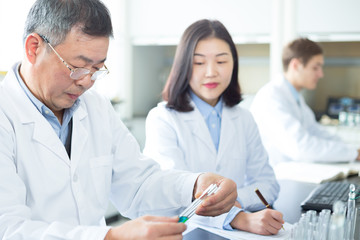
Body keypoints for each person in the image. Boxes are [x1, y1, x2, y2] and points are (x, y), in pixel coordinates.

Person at [0, 1, 238, 239]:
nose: (86, 82)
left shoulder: (97, 107)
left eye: (97, 69)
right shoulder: (5, 114)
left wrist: (195, 185)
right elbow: (8, 228)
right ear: (33, 48)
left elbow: (138, 184)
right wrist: (111, 237)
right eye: (78, 67)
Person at [143, 19, 284, 235]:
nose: (211, 72)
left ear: (233, 64)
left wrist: (233, 200)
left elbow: (267, 184)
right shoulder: (162, 118)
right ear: (183, 66)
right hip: (187, 234)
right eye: (199, 63)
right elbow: (172, 196)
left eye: (221, 61)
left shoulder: (244, 118)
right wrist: (238, 217)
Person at [250, 37, 360, 166]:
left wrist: (353, 149)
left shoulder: (295, 97)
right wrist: (353, 153)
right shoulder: (270, 97)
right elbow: (300, 147)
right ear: (295, 65)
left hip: (291, 172)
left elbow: (315, 131)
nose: (321, 74)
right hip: (277, 176)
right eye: (315, 68)